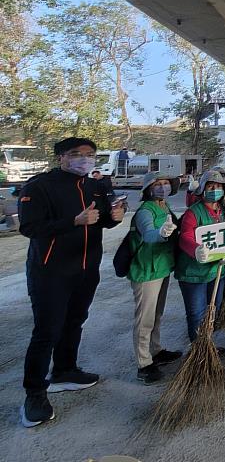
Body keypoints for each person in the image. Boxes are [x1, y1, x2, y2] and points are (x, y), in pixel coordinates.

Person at [18, 137, 126, 427]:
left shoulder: (95, 186)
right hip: (50, 272)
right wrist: (73, 222)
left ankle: (65, 370)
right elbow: (29, 227)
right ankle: (34, 393)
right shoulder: (40, 186)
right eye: (76, 154)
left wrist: (114, 218)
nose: (84, 159)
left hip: (86, 268)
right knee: (47, 331)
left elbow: (100, 220)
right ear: (60, 158)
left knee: (75, 321)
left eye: (90, 154)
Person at [127, 172, 182, 385]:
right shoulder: (144, 211)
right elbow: (148, 234)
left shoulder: (163, 207)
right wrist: (162, 233)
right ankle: (143, 363)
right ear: (148, 189)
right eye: (157, 184)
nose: (162, 187)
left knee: (156, 314)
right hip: (146, 270)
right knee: (145, 318)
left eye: (166, 183)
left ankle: (156, 350)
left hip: (161, 268)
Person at [176, 170, 225, 343]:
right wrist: (196, 250)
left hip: (217, 271)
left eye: (218, 187)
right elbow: (185, 236)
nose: (215, 190)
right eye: (211, 186)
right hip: (194, 273)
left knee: (213, 310)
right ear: (202, 189)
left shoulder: (223, 211)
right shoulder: (193, 212)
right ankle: (199, 349)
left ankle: (208, 345)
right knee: (197, 313)